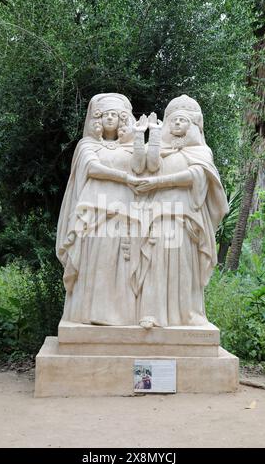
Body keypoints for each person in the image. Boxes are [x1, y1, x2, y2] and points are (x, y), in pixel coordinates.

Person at [132, 95, 229, 328]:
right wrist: (153, 134)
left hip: (185, 215)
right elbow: (147, 167)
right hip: (157, 213)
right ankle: (151, 312)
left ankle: (189, 313)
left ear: (193, 125)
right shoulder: (157, 147)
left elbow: (193, 177)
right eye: (173, 120)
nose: (176, 124)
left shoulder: (201, 152)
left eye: (183, 120)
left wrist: (158, 183)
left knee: (184, 264)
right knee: (155, 260)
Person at [56, 93, 145, 325]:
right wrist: (124, 177)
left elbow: (140, 167)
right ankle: (89, 313)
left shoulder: (128, 148)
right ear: (97, 119)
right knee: (95, 257)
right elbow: (93, 169)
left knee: (121, 258)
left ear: (121, 120)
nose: (109, 119)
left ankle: (121, 315)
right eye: (105, 115)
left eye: (114, 115)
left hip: (124, 208)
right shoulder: (87, 145)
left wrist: (139, 137)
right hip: (94, 209)